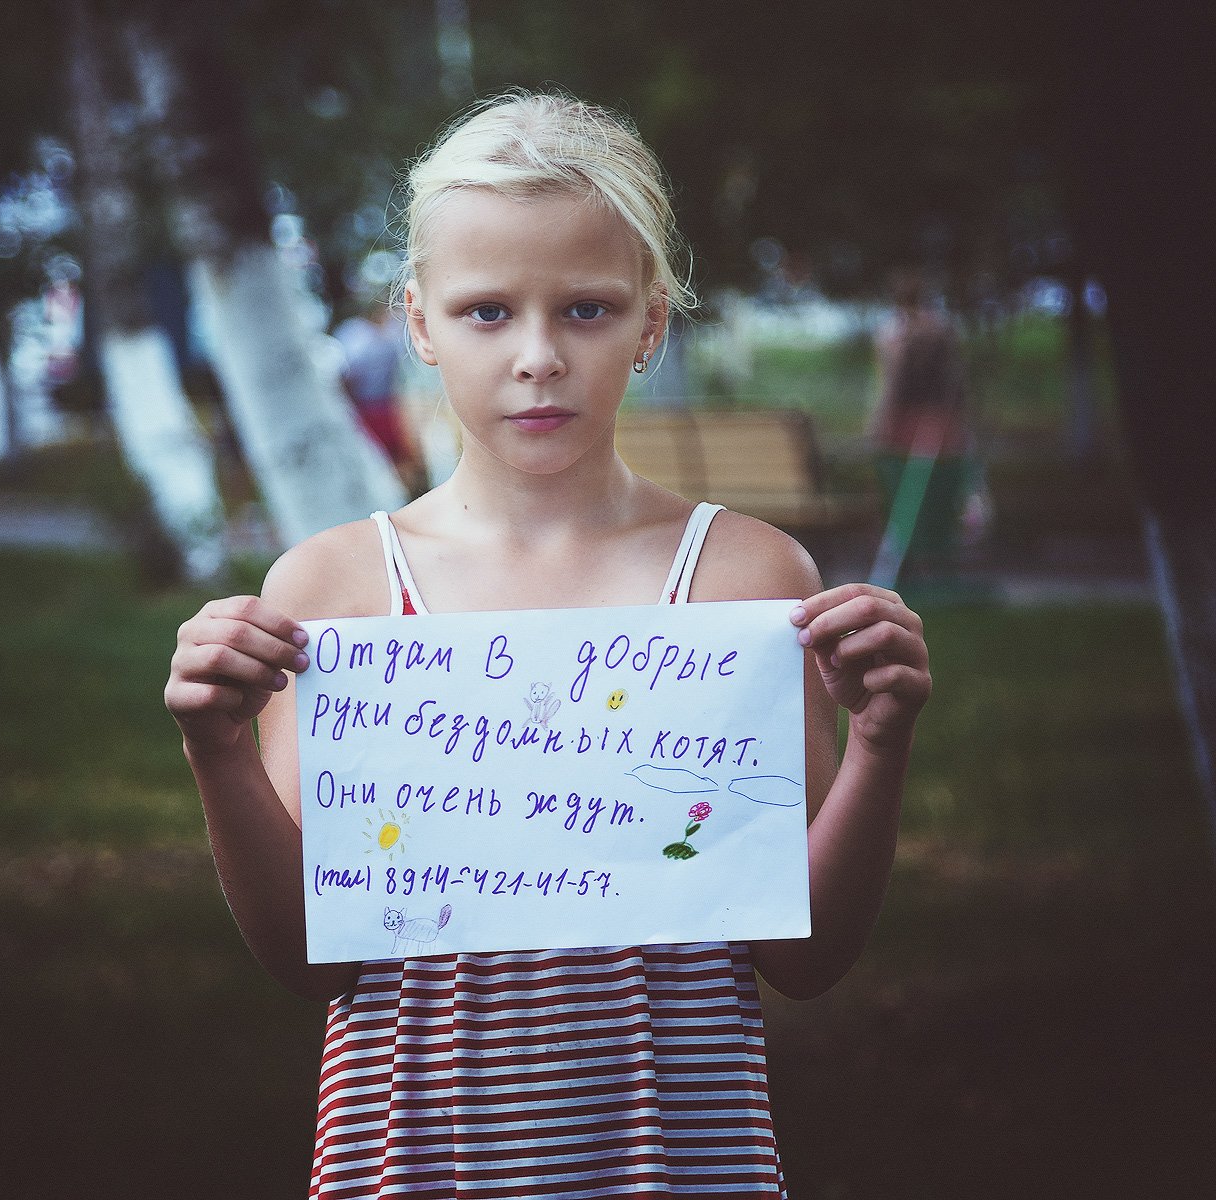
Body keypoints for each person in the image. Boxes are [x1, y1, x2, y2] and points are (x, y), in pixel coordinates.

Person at [166, 93, 931, 1199]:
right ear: (419, 322)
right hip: (416, 1165)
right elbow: (309, 959)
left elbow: (804, 957)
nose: (537, 356)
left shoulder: (741, 579)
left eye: (585, 309)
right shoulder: (334, 593)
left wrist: (879, 743)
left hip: (678, 1168)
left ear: (651, 321)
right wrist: (217, 753)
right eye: (486, 311)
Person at [870, 271, 974, 581]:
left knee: (910, 495)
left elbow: (891, 384)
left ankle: (914, 562)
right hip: (934, 427)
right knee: (924, 496)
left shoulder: (895, 335)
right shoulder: (938, 330)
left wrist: (879, 422)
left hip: (909, 426)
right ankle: (927, 563)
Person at [332, 298, 421, 490]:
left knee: (397, 453)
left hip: (389, 405)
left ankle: (403, 491)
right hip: (365, 408)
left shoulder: (392, 333)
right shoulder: (353, 334)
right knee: (378, 455)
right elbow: (346, 376)